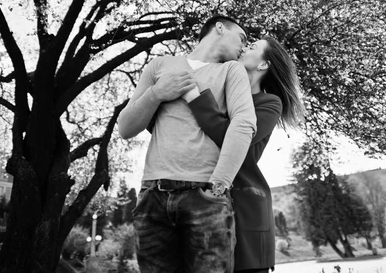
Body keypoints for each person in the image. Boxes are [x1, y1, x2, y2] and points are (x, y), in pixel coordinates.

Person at [117, 15, 257, 273]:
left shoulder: (231, 70)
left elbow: (244, 123)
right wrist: (157, 93)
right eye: (242, 38)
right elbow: (125, 128)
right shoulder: (159, 65)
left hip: (206, 195)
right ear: (219, 28)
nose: (244, 47)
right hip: (153, 196)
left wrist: (220, 183)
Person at [182, 36, 304, 273]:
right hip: (200, 200)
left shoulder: (269, 103)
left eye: (252, 47)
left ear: (263, 65)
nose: (244, 48)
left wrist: (194, 98)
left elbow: (231, 137)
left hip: (244, 208)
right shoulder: (220, 96)